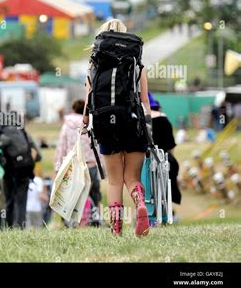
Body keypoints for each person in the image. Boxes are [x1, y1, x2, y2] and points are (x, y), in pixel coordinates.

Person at [83, 19, 150, 236]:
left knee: (114, 182)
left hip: (105, 125)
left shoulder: (94, 65)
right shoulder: (137, 65)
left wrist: (85, 123)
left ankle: (116, 229)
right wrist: (147, 126)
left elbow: (88, 100)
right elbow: (145, 102)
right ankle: (140, 203)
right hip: (132, 121)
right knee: (132, 178)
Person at [54, 99, 102, 227]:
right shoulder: (91, 124)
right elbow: (97, 146)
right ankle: (95, 221)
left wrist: (57, 167)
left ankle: (71, 223)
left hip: (74, 166)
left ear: (73, 110)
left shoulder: (67, 125)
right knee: (94, 196)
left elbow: (61, 147)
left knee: (72, 196)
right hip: (91, 165)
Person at [0, 112, 41, 229]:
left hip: (8, 172)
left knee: (8, 200)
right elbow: (38, 155)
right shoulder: (23, 133)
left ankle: (7, 226)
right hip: (24, 171)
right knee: (21, 200)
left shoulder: (3, 133)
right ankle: (20, 226)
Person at [148, 94, 182, 207]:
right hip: (165, 158)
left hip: (145, 160)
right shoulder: (164, 118)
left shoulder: (138, 118)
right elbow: (171, 145)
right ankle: (166, 208)